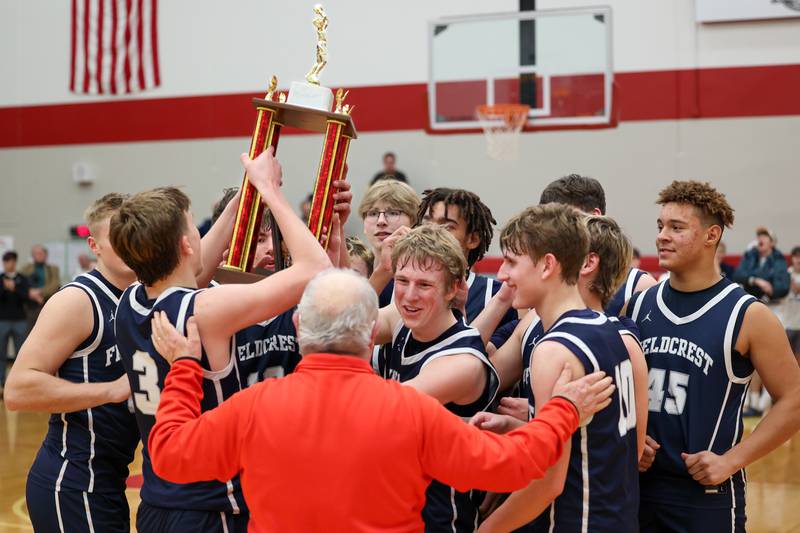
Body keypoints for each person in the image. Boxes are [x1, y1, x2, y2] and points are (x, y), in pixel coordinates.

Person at [147, 268, 616, 532]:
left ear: (297, 329)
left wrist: (185, 369)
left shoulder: (254, 407)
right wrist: (563, 410)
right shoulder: (409, 411)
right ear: (372, 333)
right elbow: (513, 464)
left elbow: (168, 454)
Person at [110, 148, 331, 532]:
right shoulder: (206, 310)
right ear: (184, 244)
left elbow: (192, 269)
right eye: (194, 226)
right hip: (210, 507)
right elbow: (318, 270)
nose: (201, 232)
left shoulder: (130, 300)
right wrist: (270, 190)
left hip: (156, 503)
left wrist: (248, 189)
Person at [626, 181, 800, 532]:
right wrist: (631, 435)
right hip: (637, 487)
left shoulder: (747, 314)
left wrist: (732, 461)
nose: (662, 236)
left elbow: (794, 399)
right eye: (660, 226)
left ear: (711, 235)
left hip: (705, 496)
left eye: (676, 228)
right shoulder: (638, 303)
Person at [472, 204, 643, 532]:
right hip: (618, 519)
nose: (502, 275)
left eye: (511, 262)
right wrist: (516, 426)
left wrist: (486, 530)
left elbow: (548, 484)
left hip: (577, 521)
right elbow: (591, 439)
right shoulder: (609, 329)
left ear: (548, 265)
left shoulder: (553, 350)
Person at [4, 194, 140, 533]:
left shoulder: (140, 294)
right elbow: (18, 390)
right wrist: (110, 390)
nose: (128, 244)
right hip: (73, 481)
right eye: (116, 237)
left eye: (133, 234)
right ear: (94, 245)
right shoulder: (77, 300)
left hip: (108, 479)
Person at [369, 225, 500, 531]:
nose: (409, 296)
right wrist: (379, 273)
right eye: (402, 281)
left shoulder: (462, 361)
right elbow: (339, 325)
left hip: (438, 520)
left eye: (424, 285)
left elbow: (381, 409)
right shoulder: (403, 321)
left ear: (454, 287)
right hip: (393, 511)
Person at [539, 173, 657, 315]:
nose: (556, 229)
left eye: (565, 219)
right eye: (550, 222)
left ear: (595, 216)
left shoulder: (638, 285)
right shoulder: (542, 277)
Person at [416, 187, 517, 327]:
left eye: (446, 227)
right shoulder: (398, 287)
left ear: (473, 239)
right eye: (426, 223)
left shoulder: (497, 295)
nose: (431, 232)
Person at [357, 178, 420, 306]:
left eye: (393, 213)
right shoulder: (355, 271)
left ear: (413, 222)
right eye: (373, 213)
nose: (381, 221)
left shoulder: (422, 278)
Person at [733, 227, 790, 303]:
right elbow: (737, 275)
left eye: (764, 237)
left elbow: (783, 286)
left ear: (772, 243)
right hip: (749, 301)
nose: (760, 239)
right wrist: (755, 280)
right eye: (759, 236)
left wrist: (772, 289)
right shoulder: (750, 255)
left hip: (770, 302)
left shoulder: (778, 259)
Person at [0, 250, 29, 395]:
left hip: (20, 320)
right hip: (2, 320)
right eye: (6, 261)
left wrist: (14, 288)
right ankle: (1, 384)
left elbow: (26, 296)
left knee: (21, 354)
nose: (8, 264)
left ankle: (19, 384)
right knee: (1, 354)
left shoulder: (22, 279)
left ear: (15, 262)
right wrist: (5, 288)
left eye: (11, 261)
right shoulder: (0, 278)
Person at [20, 244, 61, 331]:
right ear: (32, 256)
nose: (39, 255)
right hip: (30, 307)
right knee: (29, 332)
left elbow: (55, 285)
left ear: (46, 255)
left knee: (49, 330)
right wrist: (31, 294)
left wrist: (39, 292)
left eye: (41, 253)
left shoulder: (53, 269)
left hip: (47, 304)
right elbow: (21, 284)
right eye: (36, 253)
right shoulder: (25, 269)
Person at [780, 246, 800, 363]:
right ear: (792, 258)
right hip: (787, 323)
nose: (799, 260)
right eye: (796, 257)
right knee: (787, 357)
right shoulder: (787, 273)